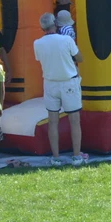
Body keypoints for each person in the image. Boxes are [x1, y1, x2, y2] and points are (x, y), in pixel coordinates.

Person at [33, 12, 87, 165]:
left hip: (50, 83)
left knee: (53, 121)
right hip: (68, 82)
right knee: (74, 120)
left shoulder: (37, 43)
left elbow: (40, 58)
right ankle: (76, 156)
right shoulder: (66, 40)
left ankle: (55, 157)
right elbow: (80, 58)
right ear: (55, 24)